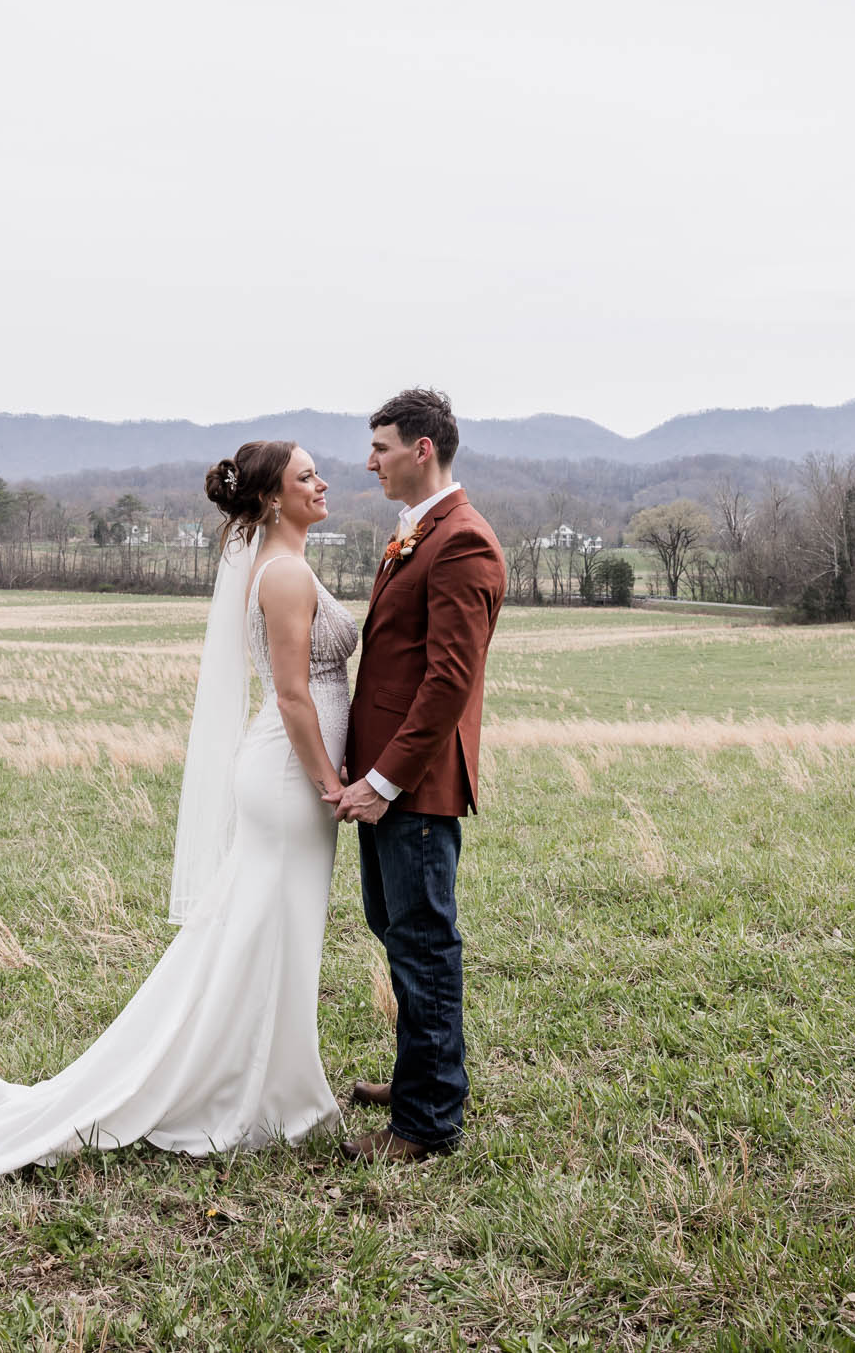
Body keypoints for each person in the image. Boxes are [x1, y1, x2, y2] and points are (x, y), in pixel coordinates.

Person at [0, 440, 356, 1197]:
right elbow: (291, 694)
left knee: (267, 929)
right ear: (275, 498)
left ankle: (269, 1077)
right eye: (307, 475)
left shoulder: (283, 564)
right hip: (290, 774)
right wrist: (330, 780)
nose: (323, 483)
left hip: (292, 774)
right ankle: (255, 1091)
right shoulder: (280, 572)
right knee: (263, 929)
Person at [325, 388, 506, 1163]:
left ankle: (428, 1123)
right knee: (396, 932)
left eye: (382, 447)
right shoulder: (414, 534)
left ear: (422, 449)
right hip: (383, 783)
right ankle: (417, 1078)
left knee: (425, 944)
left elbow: (447, 682)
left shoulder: (463, 541)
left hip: (416, 789)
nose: (370, 462)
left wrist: (385, 780)